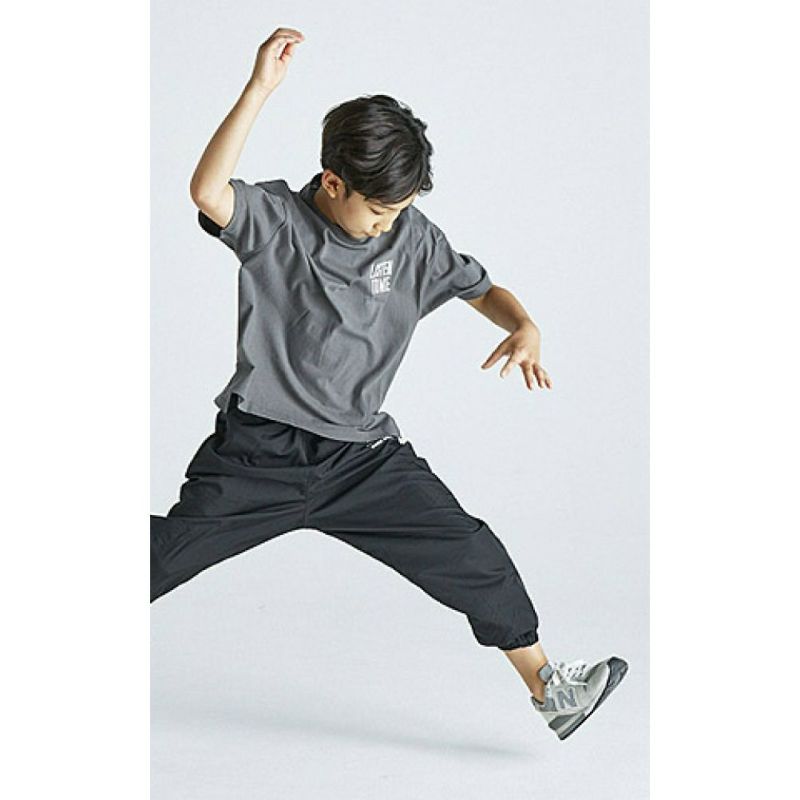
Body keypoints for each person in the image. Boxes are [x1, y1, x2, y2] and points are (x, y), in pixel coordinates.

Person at [150, 26, 628, 741]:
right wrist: (259, 89)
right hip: (260, 455)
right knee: (160, 560)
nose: (386, 226)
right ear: (333, 183)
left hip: (361, 461)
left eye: (397, 212)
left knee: (471, 553)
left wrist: (523, 323)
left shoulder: (412, 237)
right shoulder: (274, 221)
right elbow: (207, 190)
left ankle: (551, 690)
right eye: (376, 211)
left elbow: (480, 289)